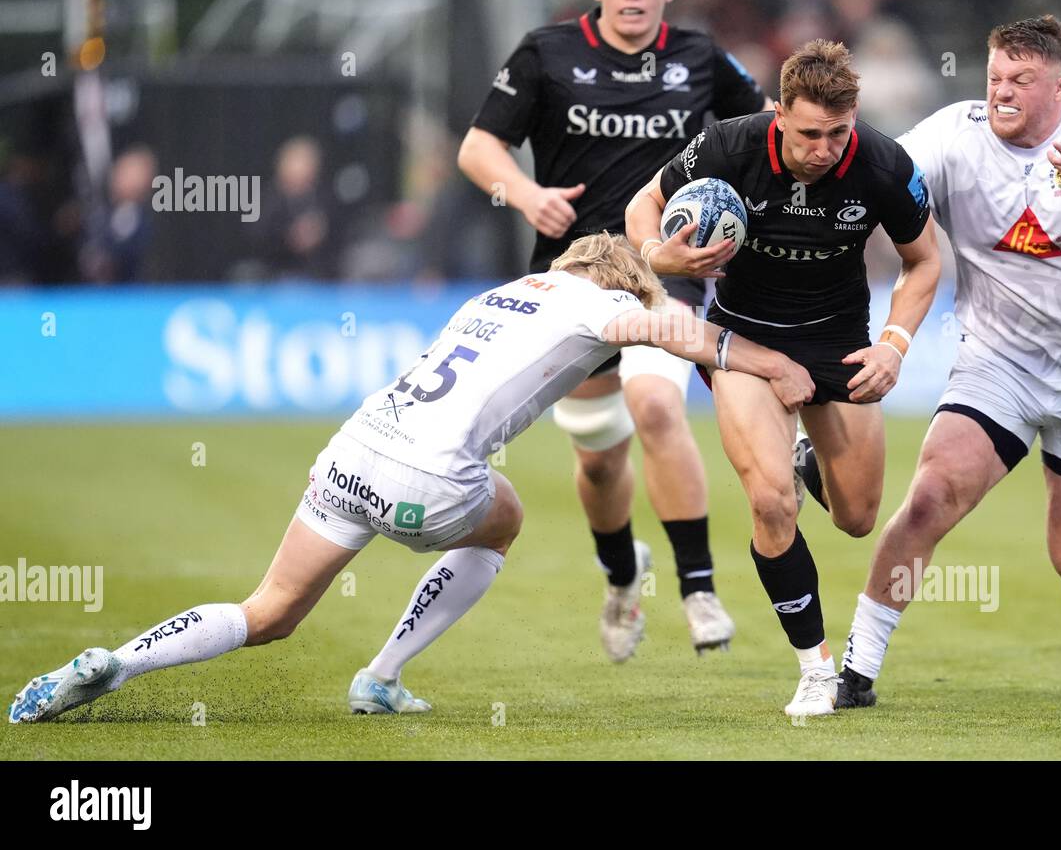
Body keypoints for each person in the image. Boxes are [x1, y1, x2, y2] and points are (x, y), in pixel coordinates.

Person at [8, 233, 813, 724]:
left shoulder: (503, 293)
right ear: (616, 286)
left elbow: (611, 283)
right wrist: (763, 357)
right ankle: (381, 676)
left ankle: (118, 663)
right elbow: (656, 326)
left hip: (355, 448)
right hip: (426, 485)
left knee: (271, 609)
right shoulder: (599, 309)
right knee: (505, 516)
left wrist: (648, 261)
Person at [830, 15, 1061, 710]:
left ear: (1059, 89)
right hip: (999, 362)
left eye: (1021, 82)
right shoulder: (954, 133)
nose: (1002, 93)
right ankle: (857, 668)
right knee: (933, 493)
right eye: (996, 77)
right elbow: (882, 181)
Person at [458, 0, 772, 660]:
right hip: (572, 278)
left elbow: (764, 131)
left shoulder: (699, 57)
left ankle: (698, 590)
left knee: (657, 405)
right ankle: (623, 576)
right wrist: (526, 195)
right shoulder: (547, 53)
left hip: (667, 273)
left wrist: (741, 218)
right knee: (599, 457)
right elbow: (479, 146)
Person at [625, 40, 941, 716]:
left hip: (838, 341)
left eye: (836, 133)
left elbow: (925, 261)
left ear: (852, 118)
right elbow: (641, 207)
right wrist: (661, 254)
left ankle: (805, 457)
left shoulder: (883, 162)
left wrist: (894, 344)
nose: (823, 148)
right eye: (807, 134)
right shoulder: (729, 147)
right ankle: (815, 669)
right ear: (778, 116)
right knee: (771, 501)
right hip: (744, 338)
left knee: (857, 517)